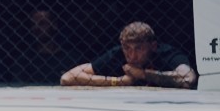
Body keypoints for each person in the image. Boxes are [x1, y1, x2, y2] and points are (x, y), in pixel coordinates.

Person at [61, 22, 197, 89]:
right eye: (127, 48)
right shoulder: (118, 54)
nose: (132, 55)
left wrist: (144, 74)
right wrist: (118, 81)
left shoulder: (166, 53)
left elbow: (188, 78)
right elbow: (67, 78)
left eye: (139, 48)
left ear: (153, 46)